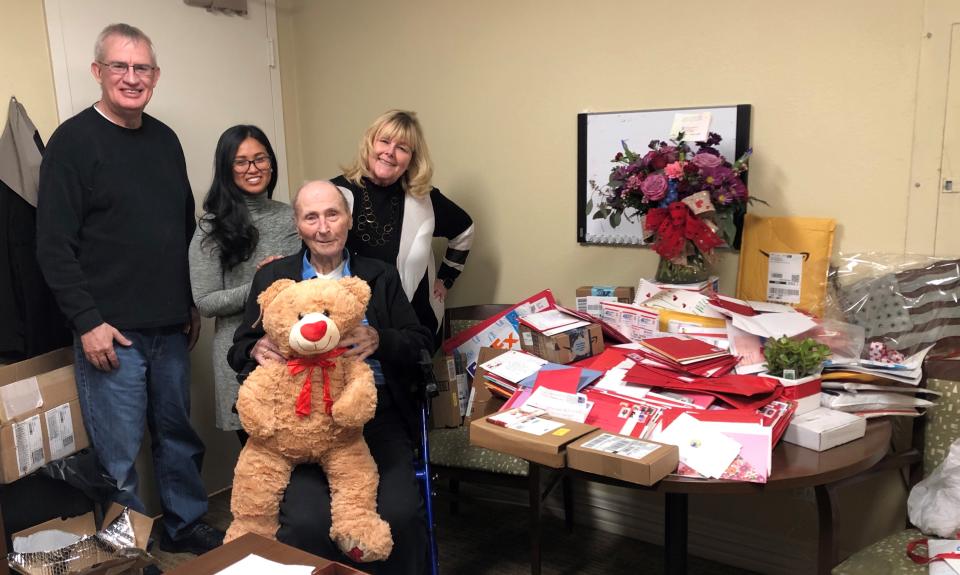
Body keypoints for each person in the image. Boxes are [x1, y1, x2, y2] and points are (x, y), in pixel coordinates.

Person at [36, 23, 222, 555]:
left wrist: (189, 301)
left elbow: (184, 229)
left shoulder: (165, 140)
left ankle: (185, 525)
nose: (132, 77)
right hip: (110, 332)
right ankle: (128, 551)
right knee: (118, 457)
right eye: (120, 66)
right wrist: (87, 322)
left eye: (142, 68)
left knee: (177, 439)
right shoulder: (72, 142)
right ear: (98, 71)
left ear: (156, 77)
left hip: (169, 326)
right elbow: (52, 245)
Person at [228, 180, 432, 574]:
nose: (323, 227)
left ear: (348, 220)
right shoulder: (274, 277)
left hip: (373, 419)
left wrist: (380, 338)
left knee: (400, 516)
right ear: (297, 224)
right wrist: (253, 349)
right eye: (311, 217)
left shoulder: (379, 276)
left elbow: (420, 341)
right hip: (298, 426)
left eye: (332, 215)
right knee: (307, 523)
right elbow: (239, 347)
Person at [189, 125, 300, 442]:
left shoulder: (294, 217)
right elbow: (206, 302)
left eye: (260, 158)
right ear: (227, 168)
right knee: (262, 470)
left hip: (294, 353)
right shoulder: (211, 228)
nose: (253, 169)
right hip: (240, 356)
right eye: (241, 161)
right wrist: (261, 282)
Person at [333, 109, 474, 347]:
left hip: (414, 330)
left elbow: (464, 230)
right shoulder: (336, 193)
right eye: (385, 141)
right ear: (370, 143)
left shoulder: (425, 199)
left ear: (411, 158)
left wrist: (446, 278)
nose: (390, 152)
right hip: (349, 330)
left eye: (402, 147)